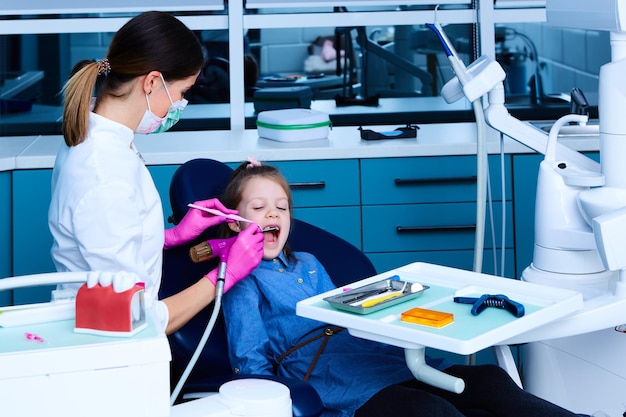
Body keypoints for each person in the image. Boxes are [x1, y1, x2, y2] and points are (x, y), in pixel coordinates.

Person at [219, 159, 583, 417]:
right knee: (430, 409)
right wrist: (282, 405)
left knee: (488, 380)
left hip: (377, 359)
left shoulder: (309, 263)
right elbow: (249, 361)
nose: (272, 215)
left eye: (281, 207)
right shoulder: (240, 280)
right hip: (332, 381)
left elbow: (342, 316)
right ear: (235, 224)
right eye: (259, 207)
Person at [48, 11, 264, 335]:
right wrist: (225, 274)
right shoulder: (102, 173)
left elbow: (108, 241)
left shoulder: (108, 140)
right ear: (151, 82)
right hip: (111, 351)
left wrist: (172, 237)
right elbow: (132, 317)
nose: (181, 103)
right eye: (182, 92)